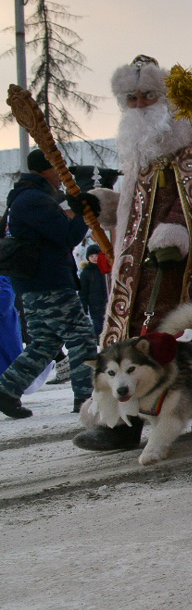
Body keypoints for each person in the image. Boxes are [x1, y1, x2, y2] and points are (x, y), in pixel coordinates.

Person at [74, 55, 192, 452]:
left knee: (159, 340)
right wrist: (103, 206)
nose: (140, 105)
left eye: (147, 96)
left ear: (164, 97)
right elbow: (136, 205)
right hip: (136, 265)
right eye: (132, 99)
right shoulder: (139, 148)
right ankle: (125, 419)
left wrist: (176, 228)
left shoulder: (189, 136)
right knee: (132, 336)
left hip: (176, 261)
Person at [0, 148, 99, 417]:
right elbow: (66, 236)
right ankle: (86, 401)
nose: (60, 177)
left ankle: (7, 391)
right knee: (82, 339)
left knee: (45, 342)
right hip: (48, 283)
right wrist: (82, 215)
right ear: (46, 170)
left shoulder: (23, 198)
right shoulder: (34, 199)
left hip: (34, 283)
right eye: (58, 170)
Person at [78, 246, 108, 339]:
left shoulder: (107, 268)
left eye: (97, 255)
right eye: (92, 256)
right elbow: (83, 291)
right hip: (95, 305)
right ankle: (100, 345)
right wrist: (84, 306)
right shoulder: (86, 272)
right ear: (88, 258)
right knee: (98, 327)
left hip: (108, 302)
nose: (95, 258)